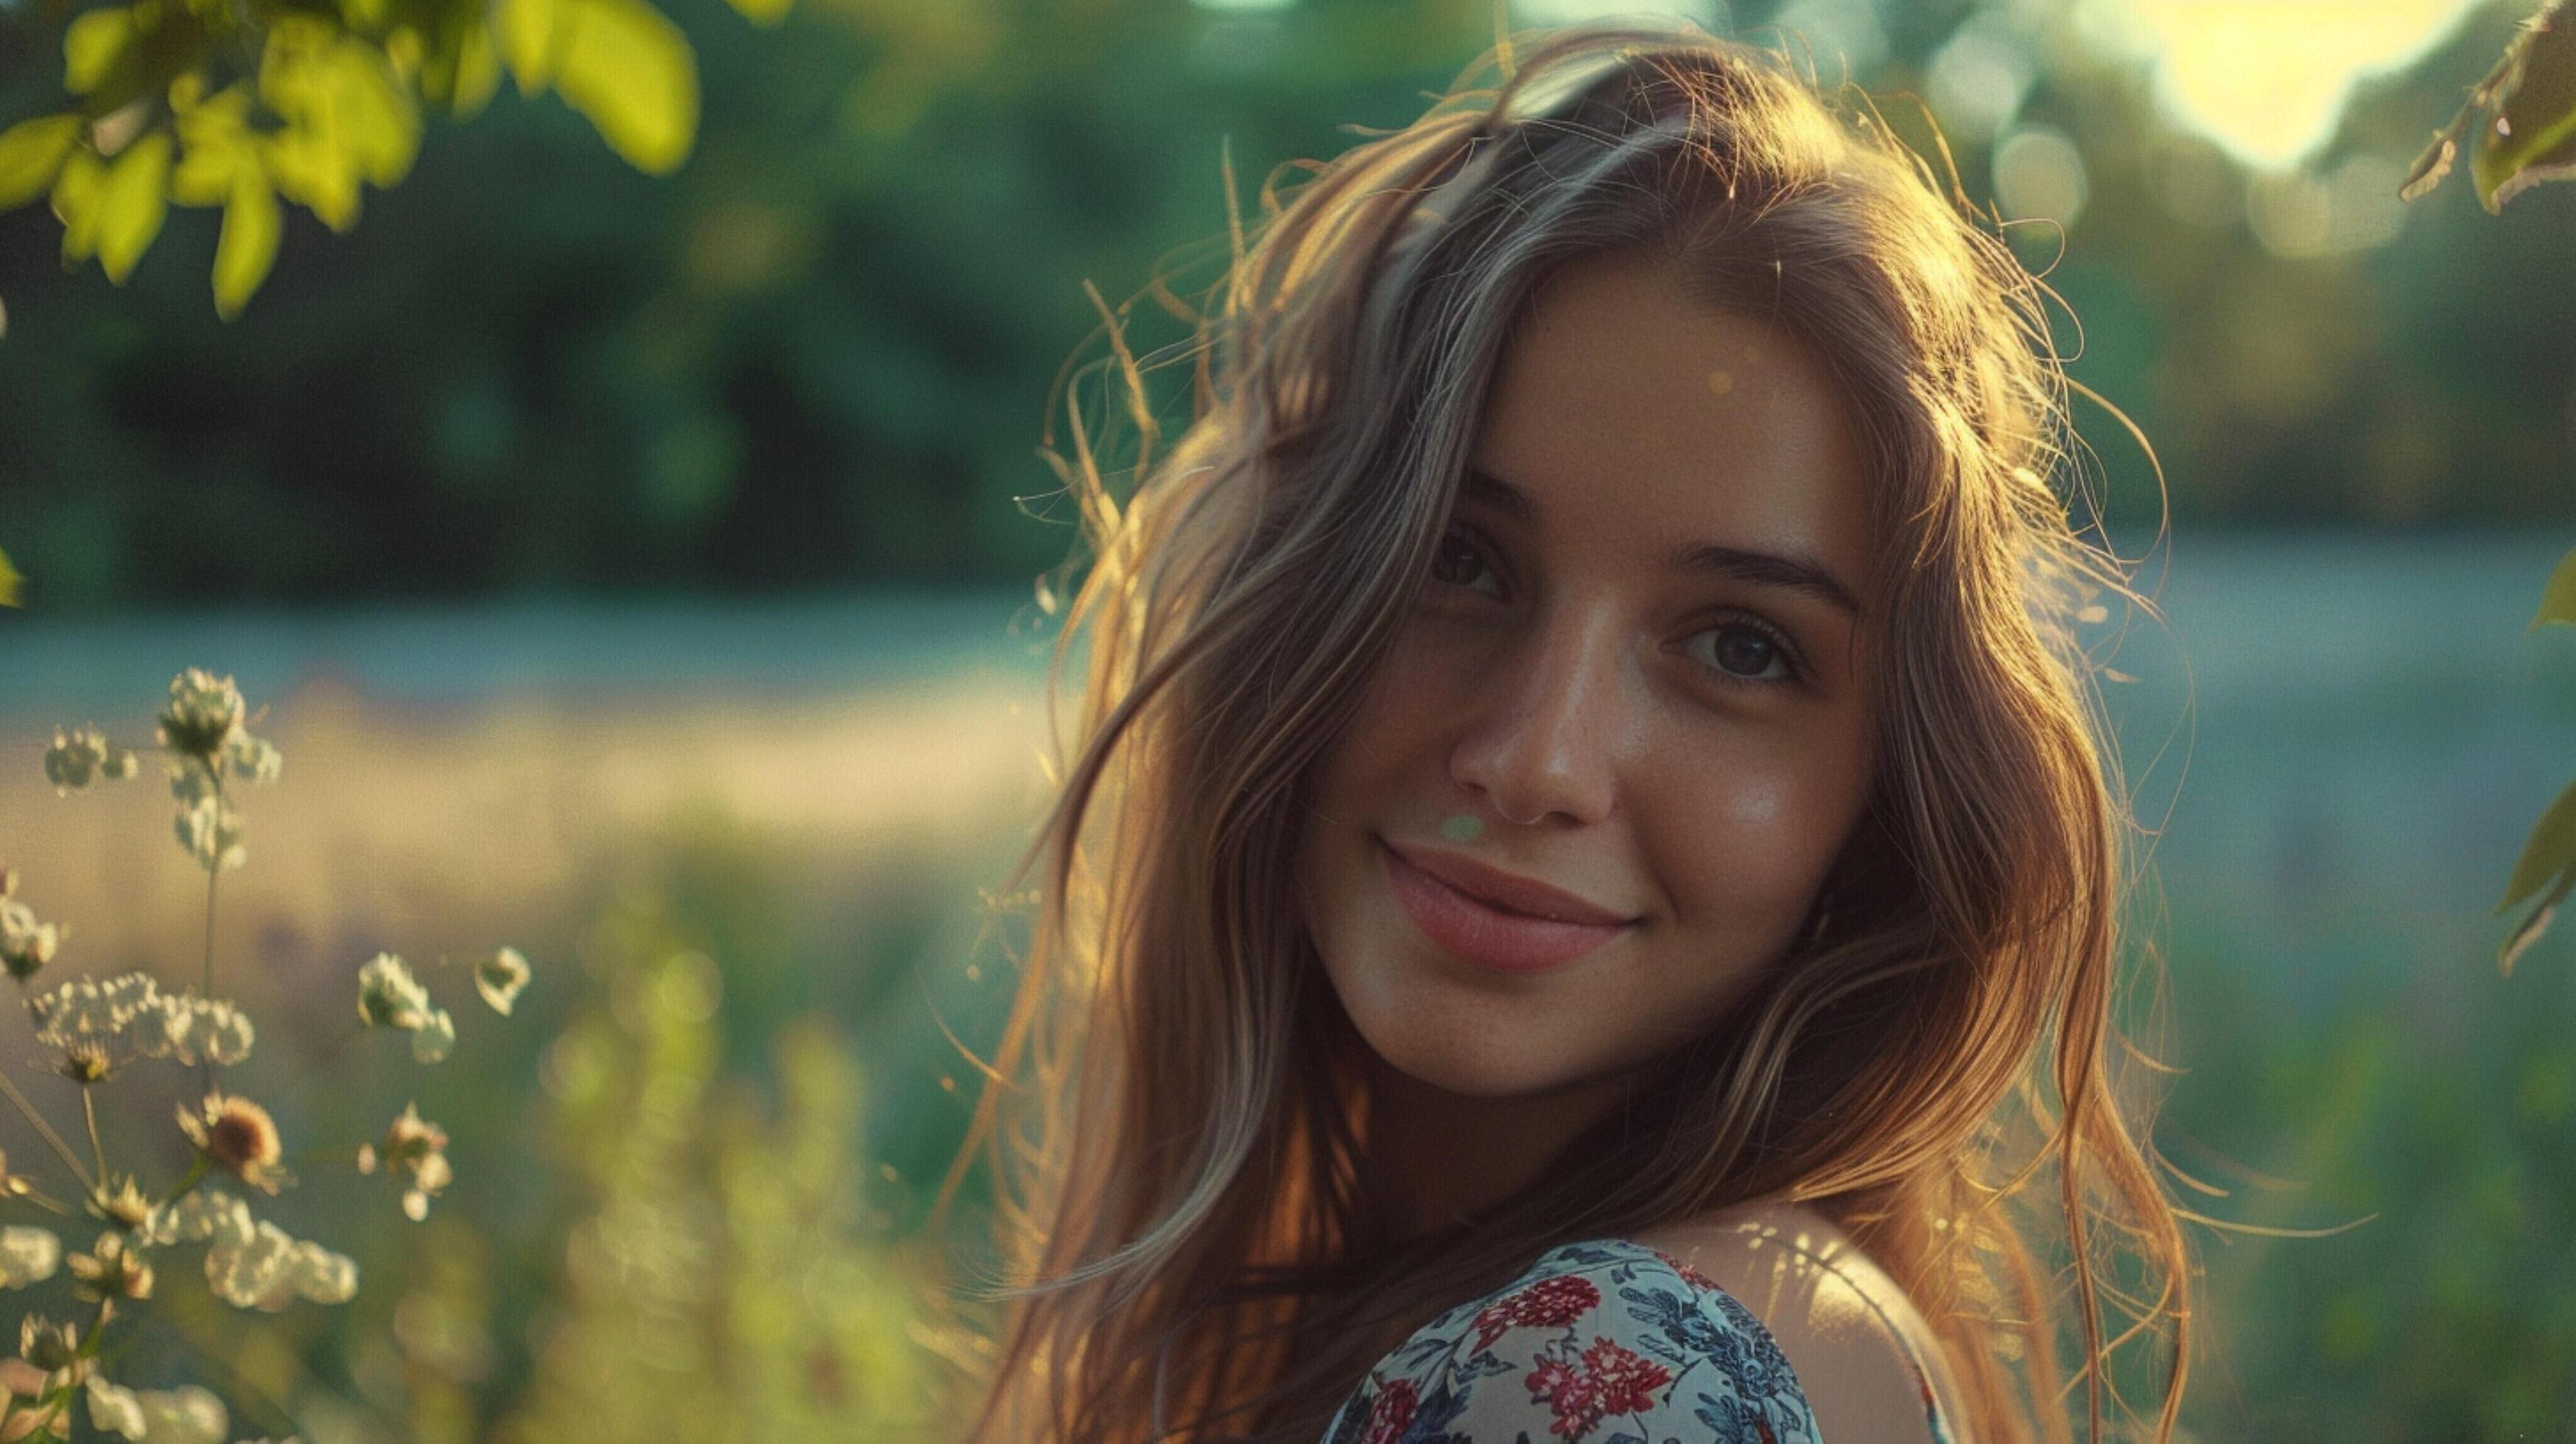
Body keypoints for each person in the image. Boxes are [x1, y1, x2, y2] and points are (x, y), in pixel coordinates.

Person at [929, 21, 2195, 1443]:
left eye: (1740, 648)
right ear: (1297, 585)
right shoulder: (1750, 1324)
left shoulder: (1593, 1384)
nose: (1535, 760)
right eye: (1457, 561)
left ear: (1889, 798)